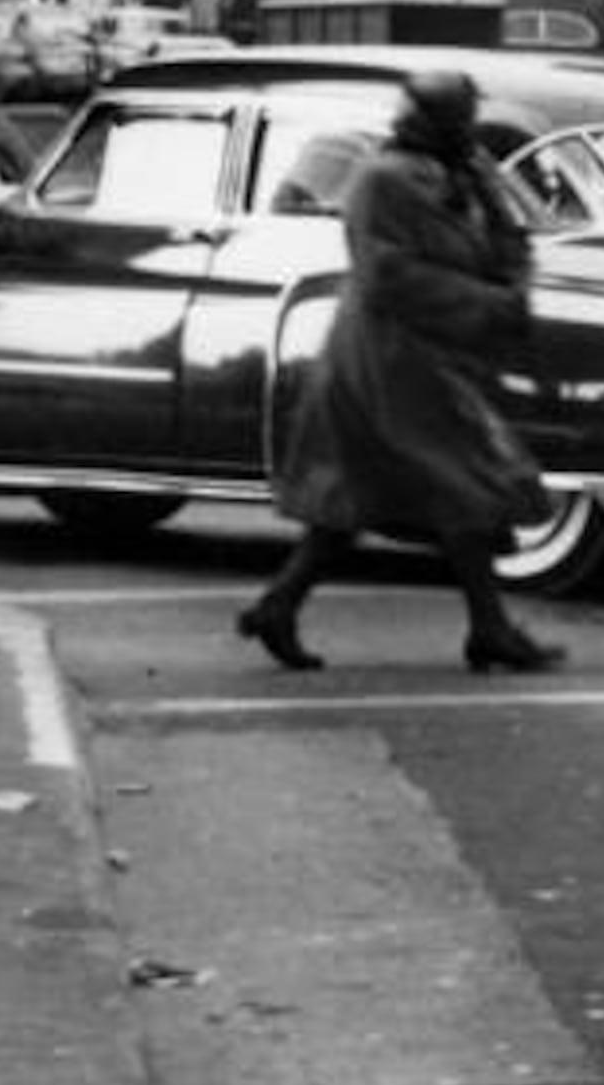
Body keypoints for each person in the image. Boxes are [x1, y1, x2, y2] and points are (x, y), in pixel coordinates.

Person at [235, 68, 566, 675]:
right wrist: (490, 303)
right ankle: (489, 627)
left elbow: (506, 247)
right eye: (460, 119)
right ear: (431, 120)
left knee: (364, 497)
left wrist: (504, 240)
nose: (469, 130)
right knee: (465, 484)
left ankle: (280, 604)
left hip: (433, 356)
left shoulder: (464, 176)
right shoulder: (380, 180)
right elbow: (391, 276)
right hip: (388, 358)